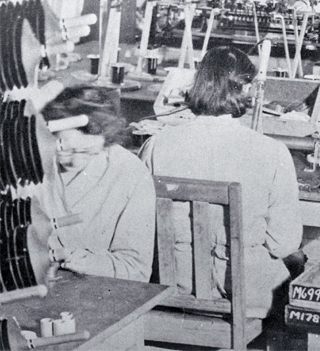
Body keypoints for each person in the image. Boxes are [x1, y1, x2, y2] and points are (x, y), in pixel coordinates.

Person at [140, 46, 302, 317]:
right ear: (247, 90)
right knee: (297, 265)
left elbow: (143, 228)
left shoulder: (156, 145)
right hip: (247, 300)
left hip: (175, 291)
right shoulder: (273, 152)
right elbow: (284, 243)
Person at [40, 86, 155, 282]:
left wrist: (87, 263)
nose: (75, 162)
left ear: (107, 141)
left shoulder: (131, 174)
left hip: (100, 290)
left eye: (88, 152)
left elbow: (137, 268)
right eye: (65, 151)